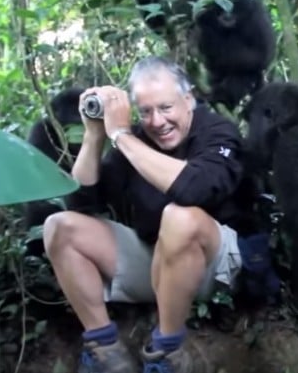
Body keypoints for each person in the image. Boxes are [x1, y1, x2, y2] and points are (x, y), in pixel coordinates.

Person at [42, 55, 249, 373]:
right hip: (156, 262)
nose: (156, 122)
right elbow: (81, 204)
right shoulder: (135, 140)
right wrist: (96, 136)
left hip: (214, 268)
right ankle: (107, 353)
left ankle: (166, 350)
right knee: (60, 226)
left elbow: (194, 191)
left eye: (166, 108)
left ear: (188, 99)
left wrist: (121, 136)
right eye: (146, 111)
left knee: (179, 217)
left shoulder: (218, 131)